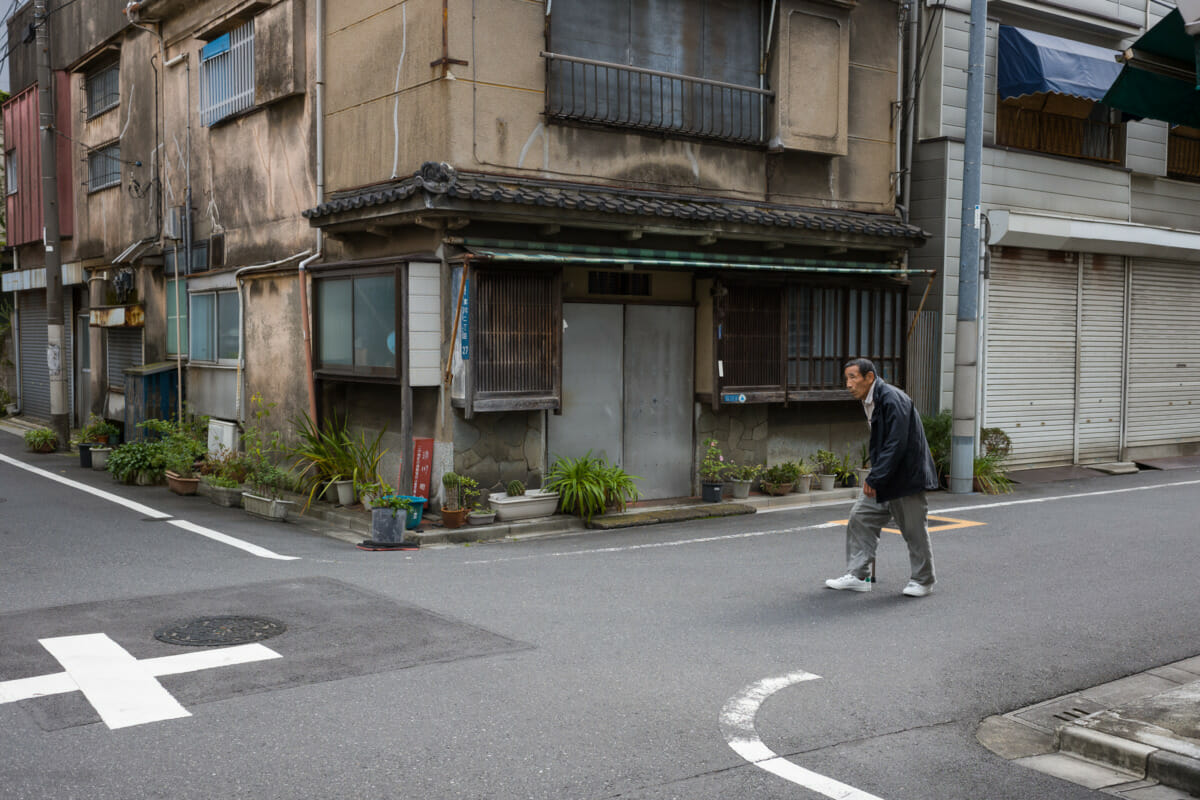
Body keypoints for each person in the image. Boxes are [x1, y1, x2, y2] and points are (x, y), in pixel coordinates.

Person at [825, 358, 940, 597]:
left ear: (869, 377)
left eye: (853, 377)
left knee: (913, 529)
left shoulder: (891, 399)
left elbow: (896, 443)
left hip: (906, 476)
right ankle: (859, 575)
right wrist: (878, 475)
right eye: (846, 378)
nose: (848, 384)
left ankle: (923, 580)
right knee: (861, 517)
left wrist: (875, 477)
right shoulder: (871, 398)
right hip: (887, 474)